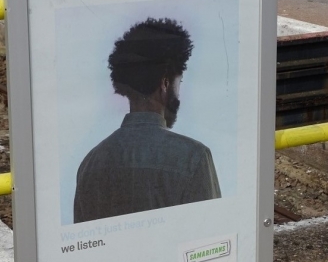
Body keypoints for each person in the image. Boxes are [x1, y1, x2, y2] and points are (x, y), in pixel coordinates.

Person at [73, 17, 221, 223]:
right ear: (165, 84)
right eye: (179, 82)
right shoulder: (194, 158)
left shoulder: (91, 162)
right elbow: (209, 232)